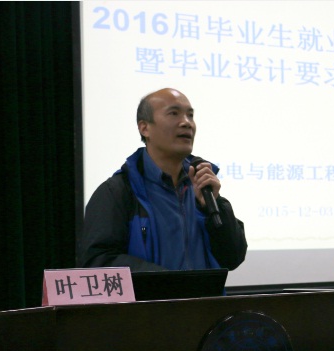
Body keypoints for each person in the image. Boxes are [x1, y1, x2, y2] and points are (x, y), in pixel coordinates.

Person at [79, 88, 248, 272]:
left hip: (204, 293)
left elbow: (233, 257)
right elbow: (98, 260)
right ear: (145, 128)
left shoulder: (202, 186)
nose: (186, 123)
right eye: (174, 113)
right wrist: (162, 280)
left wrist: (217, 206)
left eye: (190, 115)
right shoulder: (117, 192)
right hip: (153, 293)